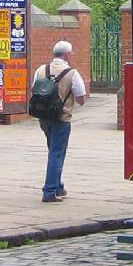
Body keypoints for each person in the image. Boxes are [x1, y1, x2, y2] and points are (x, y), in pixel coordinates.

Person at [34, 40, 86, 202]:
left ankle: (58, 185)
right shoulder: (72, 73)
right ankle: (49, 191)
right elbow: (81, 99)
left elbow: (33, 89)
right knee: (57, 153)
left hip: (43, 117)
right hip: (61, 118)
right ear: (67, 54)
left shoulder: (41, 69)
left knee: (53, 150)